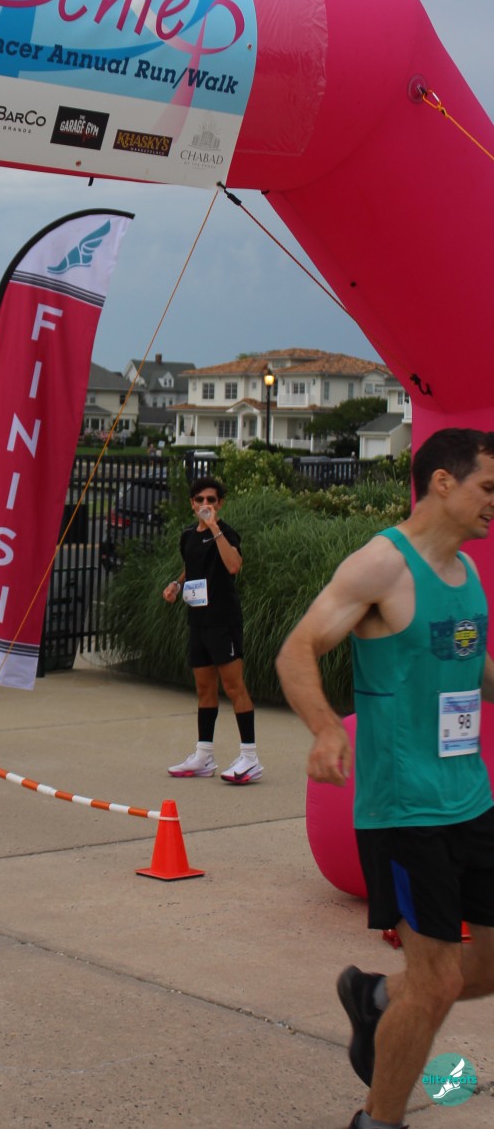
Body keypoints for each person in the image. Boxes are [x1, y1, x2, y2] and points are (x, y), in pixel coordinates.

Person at [275, 428, 494, 1129]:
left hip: (471, 798)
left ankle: (376, 1000)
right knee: (437, 983)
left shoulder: (466, 572)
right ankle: (378, 1120)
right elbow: (297, 650)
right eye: (488, 487)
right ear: (443, 482)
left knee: (484, 969)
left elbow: (473, 672)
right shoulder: (381, 566)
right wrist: (326, 728)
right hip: (405, 810)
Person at [163, 475, 263, 784]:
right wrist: (177, 584)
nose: (205, 504)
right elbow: (191, 565)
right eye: (200, 500)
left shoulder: (226, 533)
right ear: (192, 504)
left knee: (234, 687)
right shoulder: (187, 535)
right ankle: (204, 755)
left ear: (219, 504)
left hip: (223, 620)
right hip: (198, 619)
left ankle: (250, 757)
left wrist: (215, 527)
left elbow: (233, 565)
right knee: (204, 689)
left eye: (211, 500)